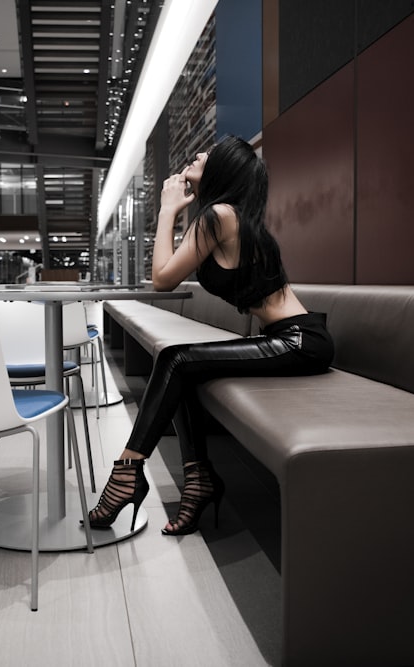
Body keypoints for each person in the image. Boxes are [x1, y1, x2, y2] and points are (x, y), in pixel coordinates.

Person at [87, 136, 335, 535]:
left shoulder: (220, 215)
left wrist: (167, 209)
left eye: (209, 154)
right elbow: (169, 273)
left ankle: (128, 471)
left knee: (177, 360)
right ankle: (197, 477)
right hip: (289, 338)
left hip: (299, 341)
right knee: (182, 364)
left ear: (221, 170)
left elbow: (162, 280)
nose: (199, 154)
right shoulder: (222, 216)